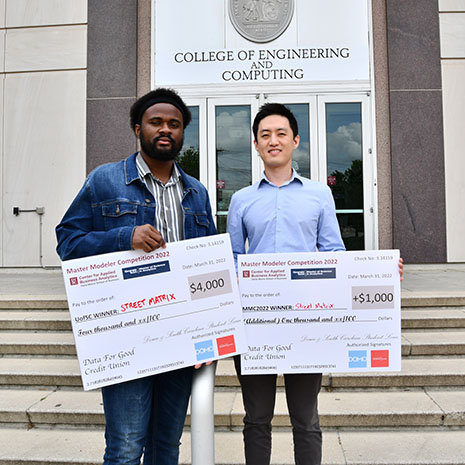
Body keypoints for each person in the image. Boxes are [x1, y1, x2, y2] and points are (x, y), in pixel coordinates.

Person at [227, 103, 403, 465]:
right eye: (264, 135)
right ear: (256, 145)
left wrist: (378, 273)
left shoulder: (319, 194)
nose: (272, 141)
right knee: (256, 418)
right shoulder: (241, 200)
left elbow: (334, 253)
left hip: (307, 322)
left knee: (305, 418)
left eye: (280, 134)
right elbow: (231, 259)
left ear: (295, 141)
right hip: (255, 324)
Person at [56, 88, 216, 465]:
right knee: (126, 447)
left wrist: (207, 333)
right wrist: (123, 237)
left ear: (182, 133)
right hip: (126, 336)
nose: (165, 129)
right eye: (156, 122)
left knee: (166, 445)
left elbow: (208, 268)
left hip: (180, 339)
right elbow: (68, 241)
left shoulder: (197, 193)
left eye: (174, 124)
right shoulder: (105, 181)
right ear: (137, 128)